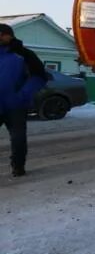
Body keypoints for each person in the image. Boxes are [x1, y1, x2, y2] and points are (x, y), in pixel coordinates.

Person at [0, 23, 49, 177]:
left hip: (15, 104)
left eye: (1, 34)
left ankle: (18, 166)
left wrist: (22, 95)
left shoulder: (24, 54)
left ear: (10, 35)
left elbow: (40, 76)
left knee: (18, 138)